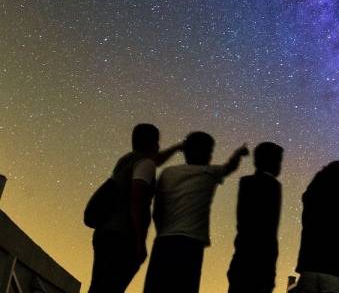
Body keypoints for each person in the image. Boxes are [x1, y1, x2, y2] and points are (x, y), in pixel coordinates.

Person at [143, 132, 249, 293]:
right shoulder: (209, 172)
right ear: (207, 152)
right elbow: (230, 166)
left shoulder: (168, 173)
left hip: (164, 241)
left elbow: (157, 210)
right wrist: (239, 153)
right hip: (191, 243)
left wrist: (178, 146)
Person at [88, 123, 182, 293]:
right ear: (153, 143)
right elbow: (137, 200)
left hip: (105, 232)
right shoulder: (146, 165)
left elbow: (155, 160)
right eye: (157, 141)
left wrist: (177, 147)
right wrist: (140, 240)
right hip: (122, 237)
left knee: (99, 287)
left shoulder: (127, 160)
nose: (159, 145)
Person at [295, 160, 339, 293]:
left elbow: (307, 195)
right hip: (338, 275)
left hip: (309, 270)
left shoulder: (313, 202)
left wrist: (320, 175)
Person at [227, 142, 285, 293]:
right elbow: (268, 230)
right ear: (270, 161)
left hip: (242, 257)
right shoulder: (273, 186)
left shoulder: (246, 182)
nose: (280, 165)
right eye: (278, 160)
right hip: (261, 263)